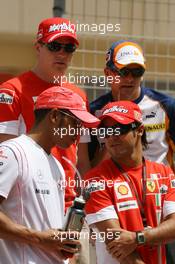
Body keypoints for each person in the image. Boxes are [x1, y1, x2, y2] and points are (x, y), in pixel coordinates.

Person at [88, 40, 175, 262]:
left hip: (161, 200)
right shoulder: (94, 111)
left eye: (136, 71)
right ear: (108, 73)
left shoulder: (166, 105)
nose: (130, 78)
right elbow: (89, 164)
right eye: (123, 71)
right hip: (114, 201)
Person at [0, 86, 100, 264]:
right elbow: (43, 236)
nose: (78, 133)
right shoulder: (12, 152)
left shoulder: (57, 165)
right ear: (54, 116)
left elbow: (50, 231)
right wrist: (39, 238)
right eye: (75, 123)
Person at [0, 17, 90, 212]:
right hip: (28, 201)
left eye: (69, 48)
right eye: (55, 46)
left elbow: (82, 161)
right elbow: (5, 154)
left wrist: (88, 206)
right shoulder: (11, 90)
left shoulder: (79, 95)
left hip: (70, 204)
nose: (62, 53)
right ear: (38, 47)